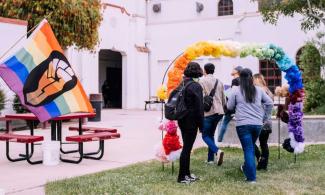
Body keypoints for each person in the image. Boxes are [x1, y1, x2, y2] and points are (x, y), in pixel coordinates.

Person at [227, 68, 273, 183]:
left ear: (240, 79)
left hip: (243, 125)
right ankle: (247, 168)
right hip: (257, 125)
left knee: (248, 149)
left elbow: (229, 107)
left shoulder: (236, 90)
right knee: (250, 148)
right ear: (251, 78)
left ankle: (251, 178)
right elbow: (269, 103)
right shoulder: (259, 90)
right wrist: (265, 117)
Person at [177, 62, 204, 184]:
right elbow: (199, 108)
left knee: (187, 147)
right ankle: (182, 176)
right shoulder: (196, 86)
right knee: (187, 149)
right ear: (198, 71)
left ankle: (186, 174)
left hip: (182, 119)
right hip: (191, 121)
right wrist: (202, 125)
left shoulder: (183, 83)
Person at [199, 63, 225, 165]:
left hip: (208, 112)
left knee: (205, 135)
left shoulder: (202, 81)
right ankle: (210, 160)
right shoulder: (220, 82)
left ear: (205, 70)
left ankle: (217, 151)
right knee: (211, 134)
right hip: (219, 112)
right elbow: (223, 98)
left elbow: (200, 97)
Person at [253, 73, 274, 170]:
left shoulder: (257, 92)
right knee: (264, 144)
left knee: (250, 142)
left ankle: (259, 158)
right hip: (268, 122)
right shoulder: (268, 91)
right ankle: (263, 164)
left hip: (259, 121)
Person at [218, 65, 243, 142]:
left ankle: (219, 140)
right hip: (240, 105)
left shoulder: (235, 80)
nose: (232, 70)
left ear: (237, 71)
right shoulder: (242, 80)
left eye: (233, 69)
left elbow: (233, 93)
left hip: (233, 106)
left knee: (224, 122)